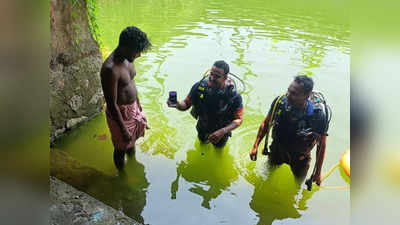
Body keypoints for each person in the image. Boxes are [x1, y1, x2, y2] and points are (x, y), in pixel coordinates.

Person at [249, 75, 329, 186]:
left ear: (306, 96)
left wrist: (318, 172)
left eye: (294, 94)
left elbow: (321, 145)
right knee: (265, 178)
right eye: (289, 91)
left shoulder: (317, 115)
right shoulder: (280, 102)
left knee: (297, 185)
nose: (288, 96)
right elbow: (266, 123)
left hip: (300, 158)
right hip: (277, 149)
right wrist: (255, 146)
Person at [100, 26, 151, 170]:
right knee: (120, 147)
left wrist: (138, 104)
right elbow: (111, 104)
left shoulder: (129, 59)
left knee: (132, 141)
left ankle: (133, 163)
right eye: (137, 51)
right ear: (126, 47)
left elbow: (131, 81)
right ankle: (121, 175)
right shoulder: (110, 69)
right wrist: (123, 129)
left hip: (133, 108)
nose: (139, 55)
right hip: (119, 114)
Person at [167, 60, 244, 148]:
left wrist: (223, 131)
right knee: (202, 144)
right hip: (203, 126)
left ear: (225, 77)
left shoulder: (233, 95)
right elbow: (186, 104)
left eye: (217, 76)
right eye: (211, 74)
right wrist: (177, 104)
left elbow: (239, 120)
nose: (212, 78)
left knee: (218, 149)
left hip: (222, 131)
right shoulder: (199, 87)